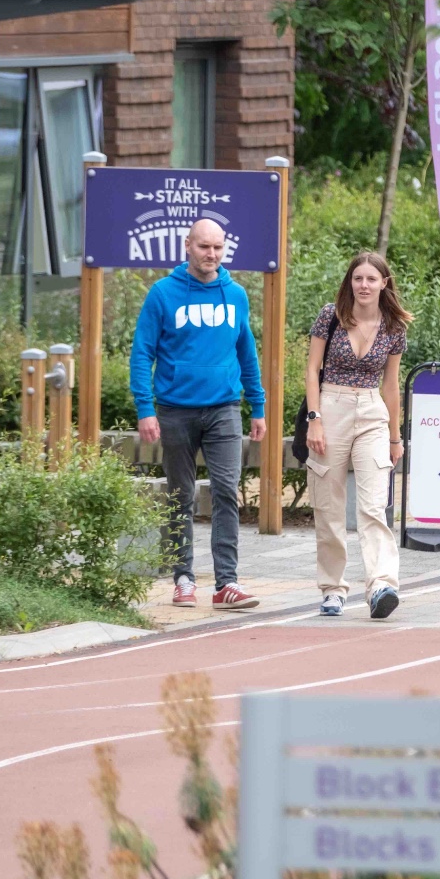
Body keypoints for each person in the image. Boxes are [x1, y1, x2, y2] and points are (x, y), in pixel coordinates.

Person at [129, 219, 266, 610]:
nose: (211, 255)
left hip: (223, 408)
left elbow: (246, 353)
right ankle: (183, 577)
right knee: (181, 495)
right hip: (174, 411)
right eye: (204, 247)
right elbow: (142, 354)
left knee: (225, 490)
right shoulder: (162, 294)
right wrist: (145, 408)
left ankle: (227, 583)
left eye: (218, 248)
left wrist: (258, 406)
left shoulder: (235, 294)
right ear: (187, 245)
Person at [304, 252, 411, 619]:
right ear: (350, 282)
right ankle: (333, 588)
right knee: (329, 504)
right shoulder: (330, 315)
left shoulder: (394, 327)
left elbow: (392, 387)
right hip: (330, 404)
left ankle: (381, 584)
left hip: (371, 411)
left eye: (371, 279)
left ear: (384, 283)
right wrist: (314, 419)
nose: (363, 285)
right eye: (357, 278)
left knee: (373, 504)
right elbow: (312, 369)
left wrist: (396, 438)